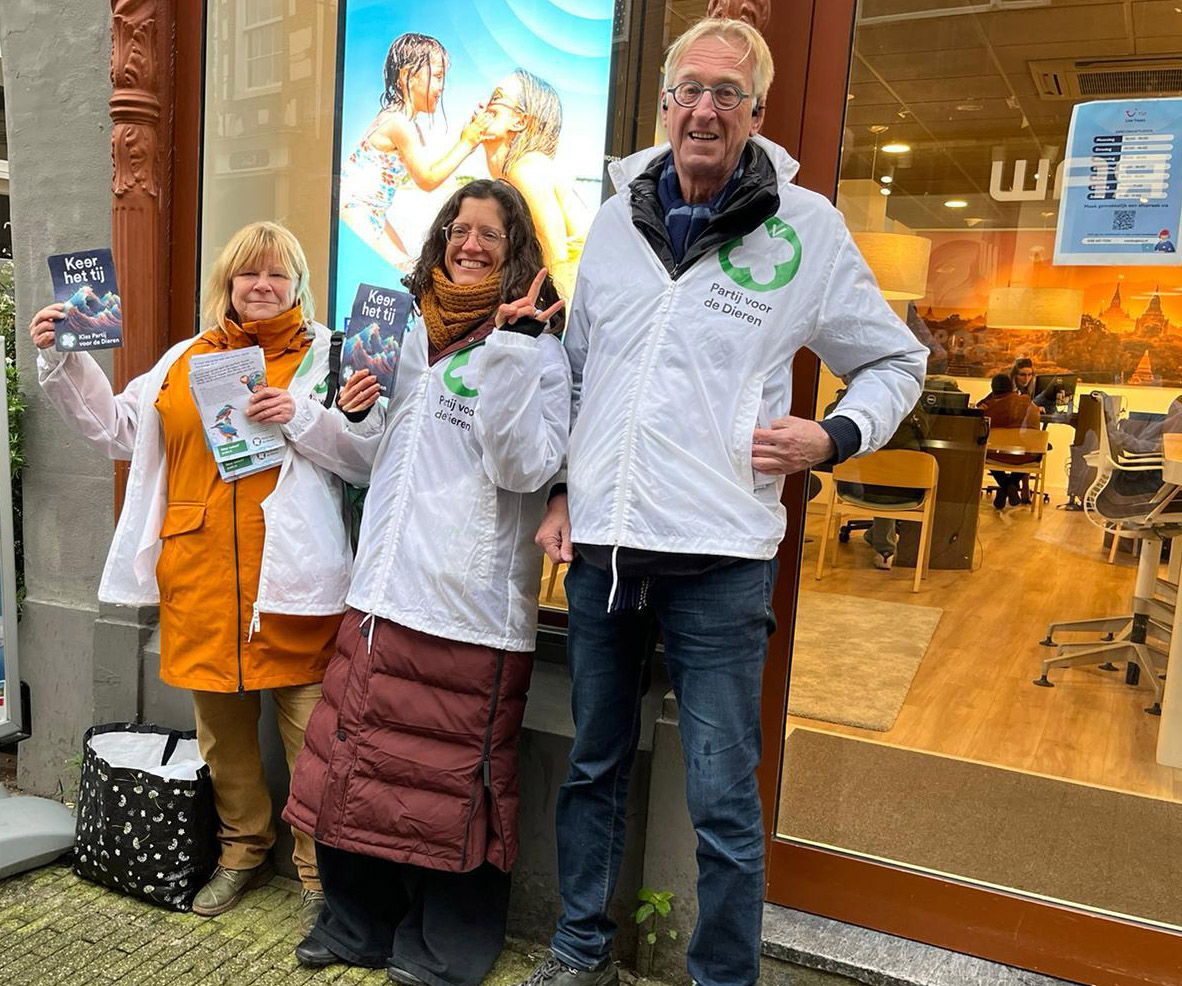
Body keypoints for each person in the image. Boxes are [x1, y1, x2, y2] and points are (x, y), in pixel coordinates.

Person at [522, 18, 926, 986]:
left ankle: (721, 977)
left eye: (727, 94)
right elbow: (582, 367)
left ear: (756, 111)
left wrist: (832, 435)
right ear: (665, 103)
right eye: (689, 90)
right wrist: (564, 488)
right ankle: (581, 947)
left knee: (721, 795)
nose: (705, 109)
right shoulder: (613, 218)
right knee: (592, 766)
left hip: (722, 555)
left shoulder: (807, 227)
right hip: (606, 545)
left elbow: (895, 359)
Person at [29, 222, 382, 933]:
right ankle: (243, 851)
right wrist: (65, 360)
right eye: (248, 274)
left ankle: (318, 874)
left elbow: (367, 458)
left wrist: (302, 417)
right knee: (223, 740)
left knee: (316, 737)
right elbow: (119, 429)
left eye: (277, 275)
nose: (262, 286)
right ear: (226, 282)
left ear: (298, 284)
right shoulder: (183, 359)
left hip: (295, 585)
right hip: (201, 578)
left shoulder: (327, 357)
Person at [284, 179, 571, 986]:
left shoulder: (539, 349)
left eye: (490, 233)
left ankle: (446, 950)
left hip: (466, 608)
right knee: (351, 773)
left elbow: (525, 468)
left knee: (453, 793)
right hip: (380, 595)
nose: (470, 242)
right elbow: (375, 462)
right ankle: (357, 926)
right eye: (459, 227)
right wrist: (362, 413)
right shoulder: (400, 330)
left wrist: (511, 350)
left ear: (517, 253)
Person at [340, 33, 490, 269]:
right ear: (407, 76)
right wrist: (468, 141)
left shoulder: (405, 124)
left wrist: (469, 135)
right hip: (357, 211)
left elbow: (431, 170)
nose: (442, 87)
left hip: (371, 212)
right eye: (438, 76)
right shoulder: (398, 124)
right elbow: (427, 180)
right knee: (404, 272)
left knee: (408, 269)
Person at [481, 69, 591, 298]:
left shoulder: (525, 169)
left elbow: (556, 259)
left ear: (520, 120)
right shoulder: (522, 170)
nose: (483, 106)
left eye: (496, 98)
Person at [978, 372, 1041, 509]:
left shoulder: (989, 408)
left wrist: (990, 398)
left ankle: (1005, 486)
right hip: (1027, 457)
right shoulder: (1026, 401)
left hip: (996, 456)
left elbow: (978, 413)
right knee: (1032, 451)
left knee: (983, 453)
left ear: (993, 390)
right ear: (1011, 387)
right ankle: (1011, 484)